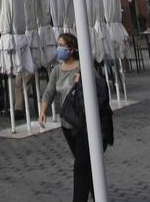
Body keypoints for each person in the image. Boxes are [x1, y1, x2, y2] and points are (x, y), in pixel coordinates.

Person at [40, 32, 113, 202]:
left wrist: (85, 81)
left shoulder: (85, 67)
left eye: (62, 46)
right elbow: (49, 92)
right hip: (67, 125)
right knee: (86, 163)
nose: (59, 49)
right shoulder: (56, 71)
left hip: (86, 125)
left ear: (72, 49)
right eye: (57, 45)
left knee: (81, 166)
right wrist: (43, 111)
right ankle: (98, 193)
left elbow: (101, 89)